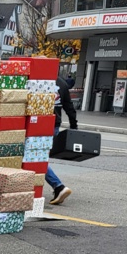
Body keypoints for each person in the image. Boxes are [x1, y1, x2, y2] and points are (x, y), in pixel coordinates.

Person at [47, 76, 78, 205]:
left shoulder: (38, 79)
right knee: (40, 158)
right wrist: (74, 126)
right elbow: (69, 107)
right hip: (54, 125)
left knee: (35, 159)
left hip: (39, 125)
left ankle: (58, 186)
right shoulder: (62, 83)